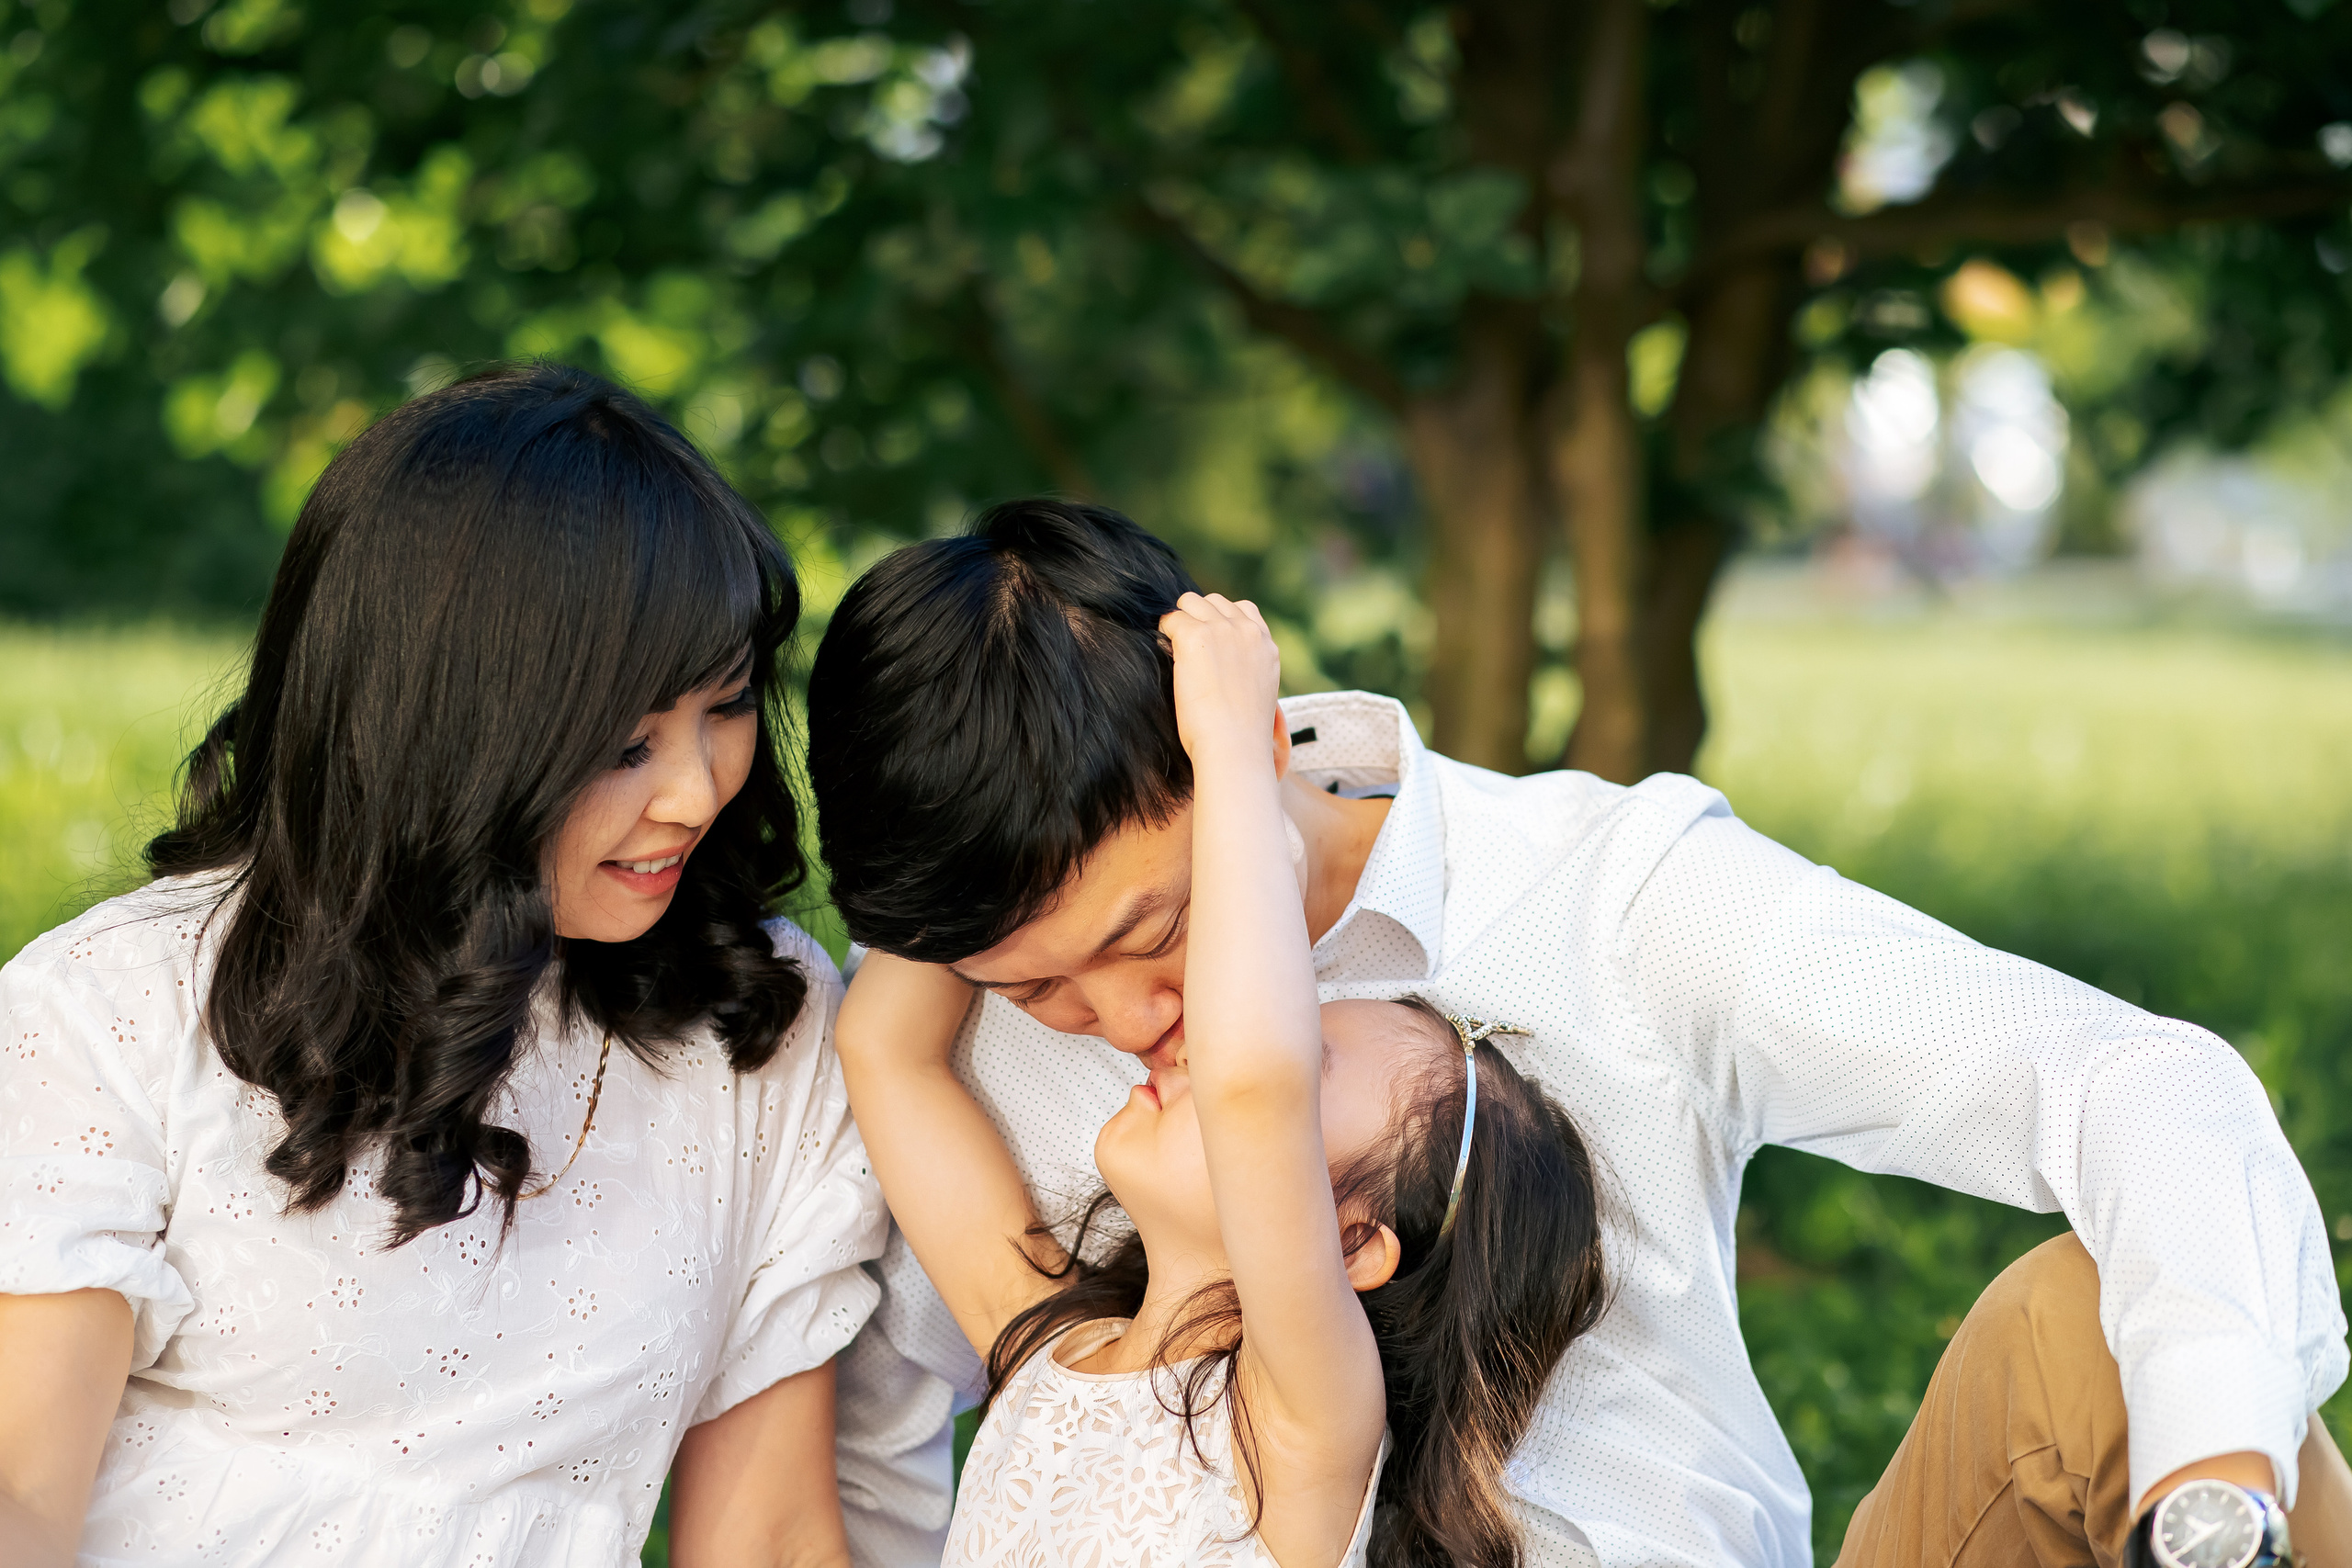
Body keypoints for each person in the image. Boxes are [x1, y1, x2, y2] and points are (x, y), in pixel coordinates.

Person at [807, 499, 2352, 1567]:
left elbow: (2124, 1084)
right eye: (1041, 988)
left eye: (1159, 933)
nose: (1143, 1024)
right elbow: (876, 1424)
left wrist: (2211, 1494)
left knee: (2083, 1331)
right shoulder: (969, 1042)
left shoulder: (1609, 898)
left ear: (1247, 754)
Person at [0, 364, 888, 1568]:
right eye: (626, 742)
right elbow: (21, 1496)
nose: (695, 792)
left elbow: (770, 1539)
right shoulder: (116, 1006)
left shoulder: (753, 1021)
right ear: (449, 729)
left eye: (725, 706)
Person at [834, 590, 1606, 1567]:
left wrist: (1235, 751)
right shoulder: (1043, 1349)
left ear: (1352, 1241)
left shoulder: (1300, 1427)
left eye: (1304, 1056)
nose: (1209, 1041)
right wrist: (985, 819)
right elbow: (885, 1050)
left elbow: (1253, 1089)